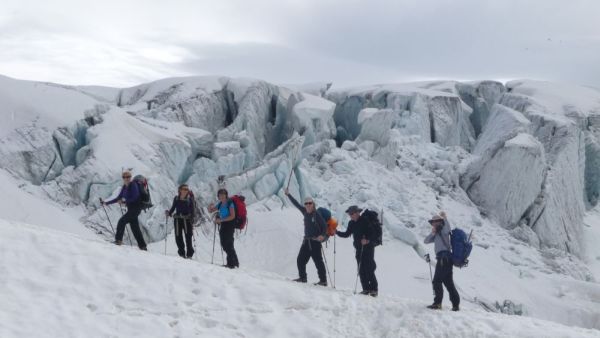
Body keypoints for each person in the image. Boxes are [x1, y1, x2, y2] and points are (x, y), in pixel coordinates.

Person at [284, 188, 327, 286]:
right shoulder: (304, 212)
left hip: (315, 242)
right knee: (300, 260)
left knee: (318, 262)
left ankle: (323, 281)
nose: (308, 205)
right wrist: (288, 194)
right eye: (306, 203)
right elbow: (296, 204)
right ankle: (303, 278)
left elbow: (324, 226)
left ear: (313, 204)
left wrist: (322, 235)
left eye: (310, 203)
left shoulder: (316, 214)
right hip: (306, 241)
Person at [336, 205, 379, 297]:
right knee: (361, 269)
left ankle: (374, 290)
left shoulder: (365, 221)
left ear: (357, 213)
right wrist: (336, 232)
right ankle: (366, 289)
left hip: (368, 248)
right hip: (359, 249)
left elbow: (373, 234)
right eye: (349, 214)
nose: (350, 215)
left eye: (352, 213)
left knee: (369, 268)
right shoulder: (351, 223)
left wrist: (367, 240)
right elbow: (346, 234)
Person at [101, 171, 147, 250]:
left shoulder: (133, 185)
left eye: (128, 177)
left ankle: (118, 240)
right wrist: (106, 203)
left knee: (122, 221)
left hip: (136, 208)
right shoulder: (124, 187)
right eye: (124, 177)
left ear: (130, 177)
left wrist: (124, 201)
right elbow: (118, 198)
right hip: (131, 209)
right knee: (135, 228)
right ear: (123, 178)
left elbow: (135, 196)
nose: (126, 178)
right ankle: (143, 246)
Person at [424, 211, 460, 311]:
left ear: (440, 221)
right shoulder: (437, 233)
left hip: (443, 259)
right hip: (446, 260)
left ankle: (437, 303)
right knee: (449, 283)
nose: (434, 223)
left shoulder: (444, 229)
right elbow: (426, 241)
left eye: (436, 222)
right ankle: (455, 305)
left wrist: (445, 218)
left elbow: (447, 227)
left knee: (436, 281)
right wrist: (433, 232)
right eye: (433, 222)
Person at [208, 189, 239, 268]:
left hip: (230, 224)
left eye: (223, 194)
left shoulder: (230, 203)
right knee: (226, 244)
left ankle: (232, 264)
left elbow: (232, 216)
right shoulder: (220, 204)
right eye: (220, 194)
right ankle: (234, 262)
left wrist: (220, 220)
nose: (221, 196)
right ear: (218, 196)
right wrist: (210, 206)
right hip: (224, 225)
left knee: (227, 244)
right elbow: (211, 211)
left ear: (226, 195)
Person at [165, 184, 195, 259]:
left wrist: (192, 219)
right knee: (178, 237)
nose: (185, 191)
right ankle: (181, 253)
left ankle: (189, 254)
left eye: (187, 189)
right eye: (184, 189)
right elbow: (173, 207)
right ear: (180, 190)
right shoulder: (176, 198)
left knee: (188, 237)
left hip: (187, 220)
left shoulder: (190, 199)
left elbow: (193, 211)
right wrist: (169, 213)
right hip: (178, 219)